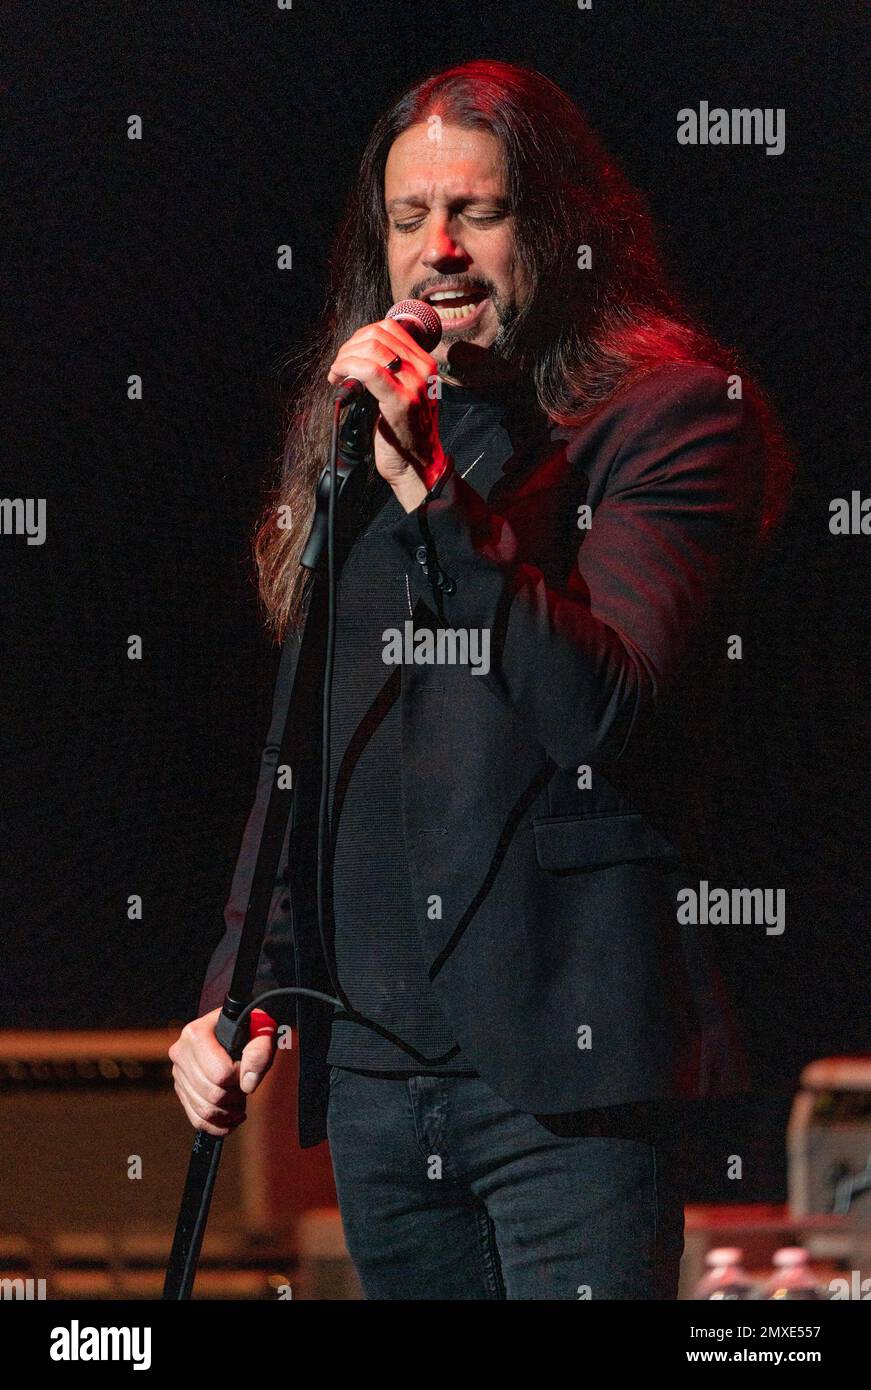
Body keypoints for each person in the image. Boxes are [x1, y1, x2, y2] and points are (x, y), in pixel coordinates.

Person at [169, 60, 791, 1299]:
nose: (438, 250)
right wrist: (231, 999)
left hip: (563, 1082)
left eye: (478, 214)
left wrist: (437, 504)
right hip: (383, 1084)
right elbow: (307, 759)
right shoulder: (361, 445)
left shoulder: (663, 420)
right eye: (408, 222)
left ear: (555, 231)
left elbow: (601, 708)